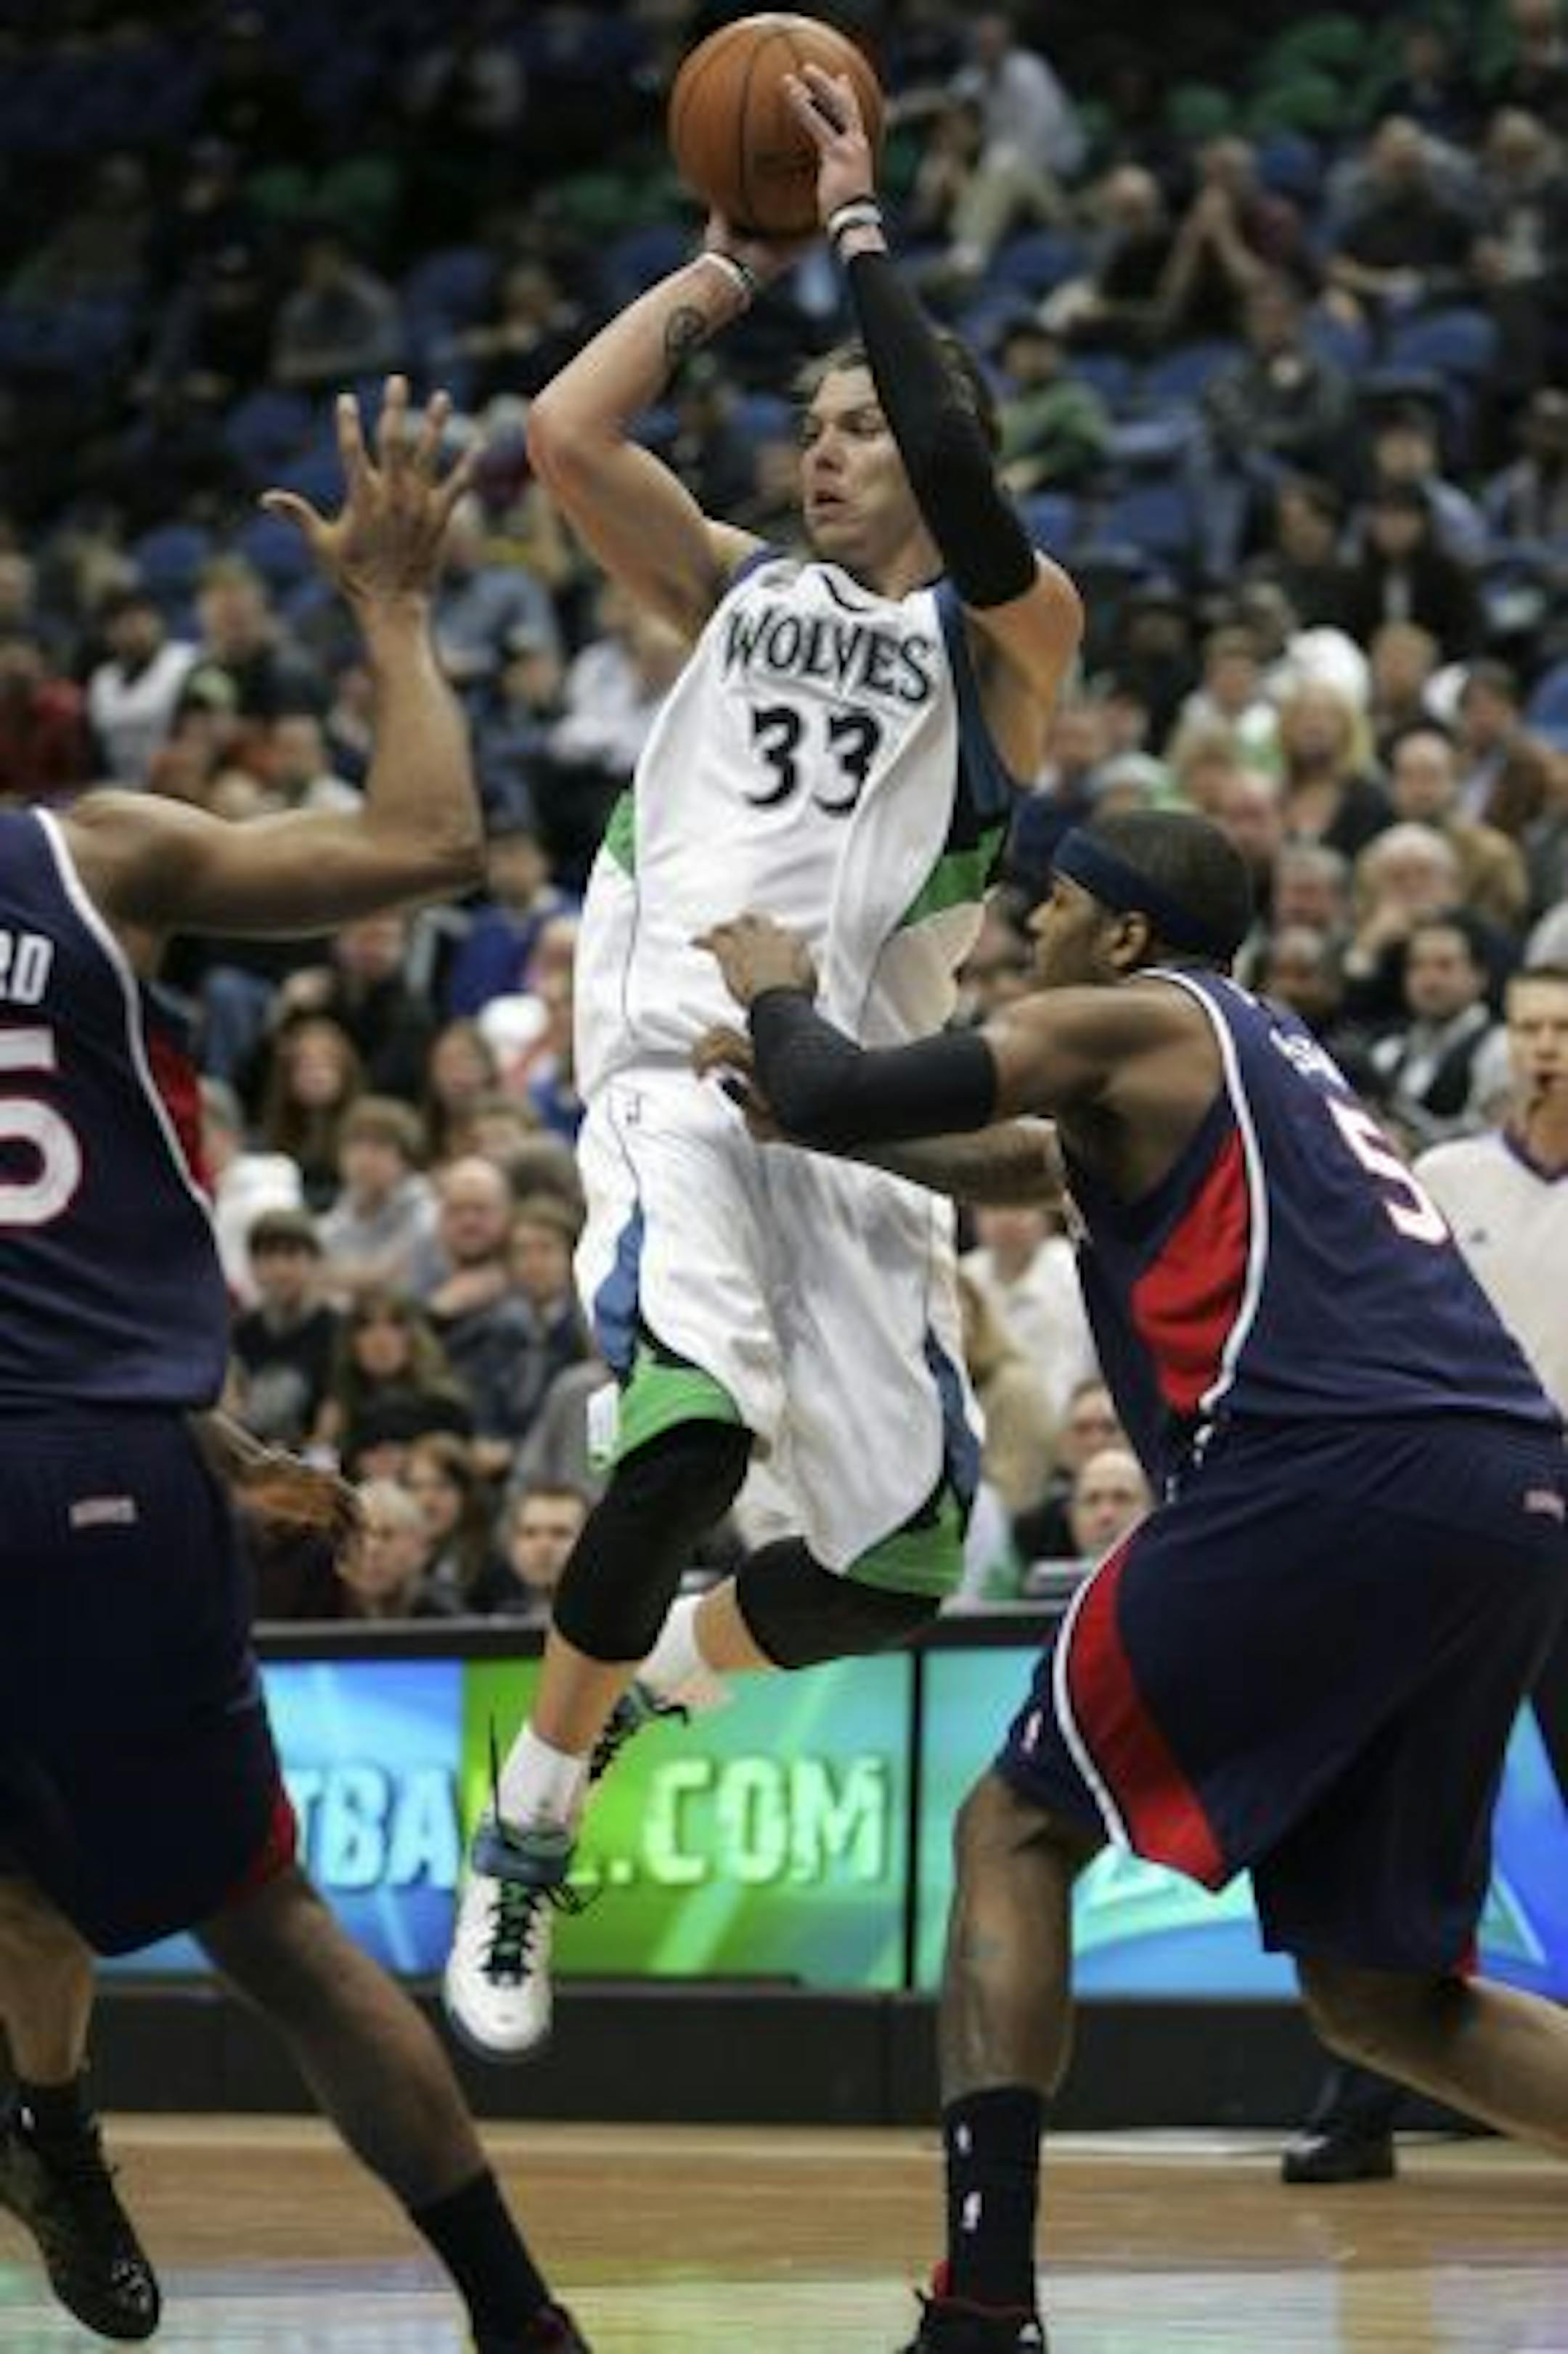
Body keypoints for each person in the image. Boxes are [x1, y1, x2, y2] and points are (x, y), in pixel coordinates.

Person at [695, 806, 1567, 2354]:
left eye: (1056, 911)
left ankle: (983, 2301)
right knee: (1382, 2000)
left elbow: (845, 1069)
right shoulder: (1257, 1053)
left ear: (1129, 935)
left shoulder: (1128, 1018)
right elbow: (1029, 1156)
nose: (1029, 933)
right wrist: (816, 1121)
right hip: (1505, 1489)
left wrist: (776, 991)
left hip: (1326, 1465)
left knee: (1013, 1823)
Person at [442, 59, 1082, 2063]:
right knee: (692, 1435)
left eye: (861, 426)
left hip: (852, 1117)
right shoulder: (732, 591)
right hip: (675, 1079)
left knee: (887, 1564)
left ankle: (650, 1684)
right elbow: (562, 430)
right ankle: (524, 1836)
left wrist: (869, 229)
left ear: (938, 444)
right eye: (806, 430)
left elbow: (974, 502)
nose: (824, 455)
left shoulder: (1011, 646)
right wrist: (726, 275)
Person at [0, 377, 586, 2353]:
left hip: (88, 1434)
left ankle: (56, 2130)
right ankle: (516, 2319)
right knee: (267, 1926)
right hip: (108, 1468)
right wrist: (398, 608)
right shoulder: (91, 858)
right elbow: (433, 835)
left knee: (39, 1888)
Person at [1283, 962, 1568, 2183]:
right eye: (1529, 1027)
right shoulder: (1444, 1181)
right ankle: (1361, 2104)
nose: (1546, 1047)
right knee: (1402, 1811)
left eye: (1563, 1027)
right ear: (1502, 1043)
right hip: (1460, 1521)